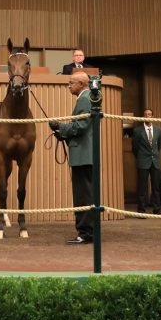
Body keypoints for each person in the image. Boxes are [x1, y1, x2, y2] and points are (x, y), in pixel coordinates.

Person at [48, 71, 94, 245]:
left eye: (71, 83)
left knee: (83, 196)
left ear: (81, 84)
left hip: (83, 155)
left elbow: (80, 126)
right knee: (86, 194)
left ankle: (85, 233)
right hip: (85, 154)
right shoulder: (88, 97)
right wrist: (64, 134)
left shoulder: (84, 99)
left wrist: (60, 126)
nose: (69, 86)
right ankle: (87, 231)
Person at [132, 108, 161, 214]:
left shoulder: (159, 130)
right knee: (142, 187)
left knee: (156, 187)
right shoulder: (137, 130)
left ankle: (157, 209)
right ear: (143, 117)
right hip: (143, 161)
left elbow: (159, 146)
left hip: (155, 161)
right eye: (146, 114)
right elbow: (135, 147)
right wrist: (141, 156)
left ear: (152, 116)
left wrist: (154, 155)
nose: (148, 116)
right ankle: (141, 209)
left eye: (150, 114)